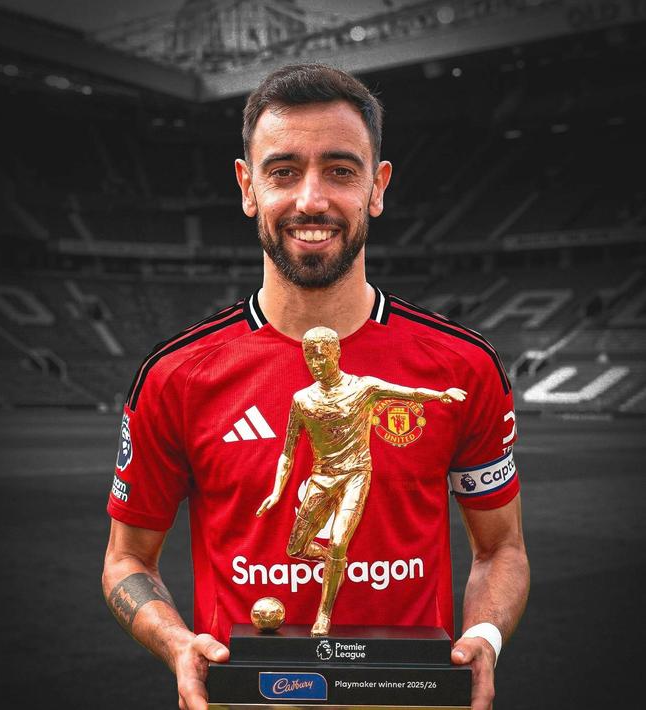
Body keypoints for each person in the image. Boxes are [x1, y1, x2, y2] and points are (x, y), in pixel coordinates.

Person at [103, 63, 529, 710]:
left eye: (340, 171)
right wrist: (176, 643)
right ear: (247, 187)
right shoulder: (175, 377)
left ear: (377, 187)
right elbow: (126, 560)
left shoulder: (463, 368)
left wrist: (485, 637)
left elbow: (501, 549)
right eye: (282, 172)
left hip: (410, 698)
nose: (310, 200)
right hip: (248, 697)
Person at [257, 325, 467, 635]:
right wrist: (277, 491)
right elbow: (288, 452)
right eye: (309, 358)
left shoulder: (364, 388)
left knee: (339, 540)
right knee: (296, 548)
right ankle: (335, 563)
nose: (315, 364)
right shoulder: (302, 400)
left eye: (321, 356)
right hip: (322, 477)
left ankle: (323, 615)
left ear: (336, 354)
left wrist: (440, 395)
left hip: (355, 474)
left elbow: (407, 392)